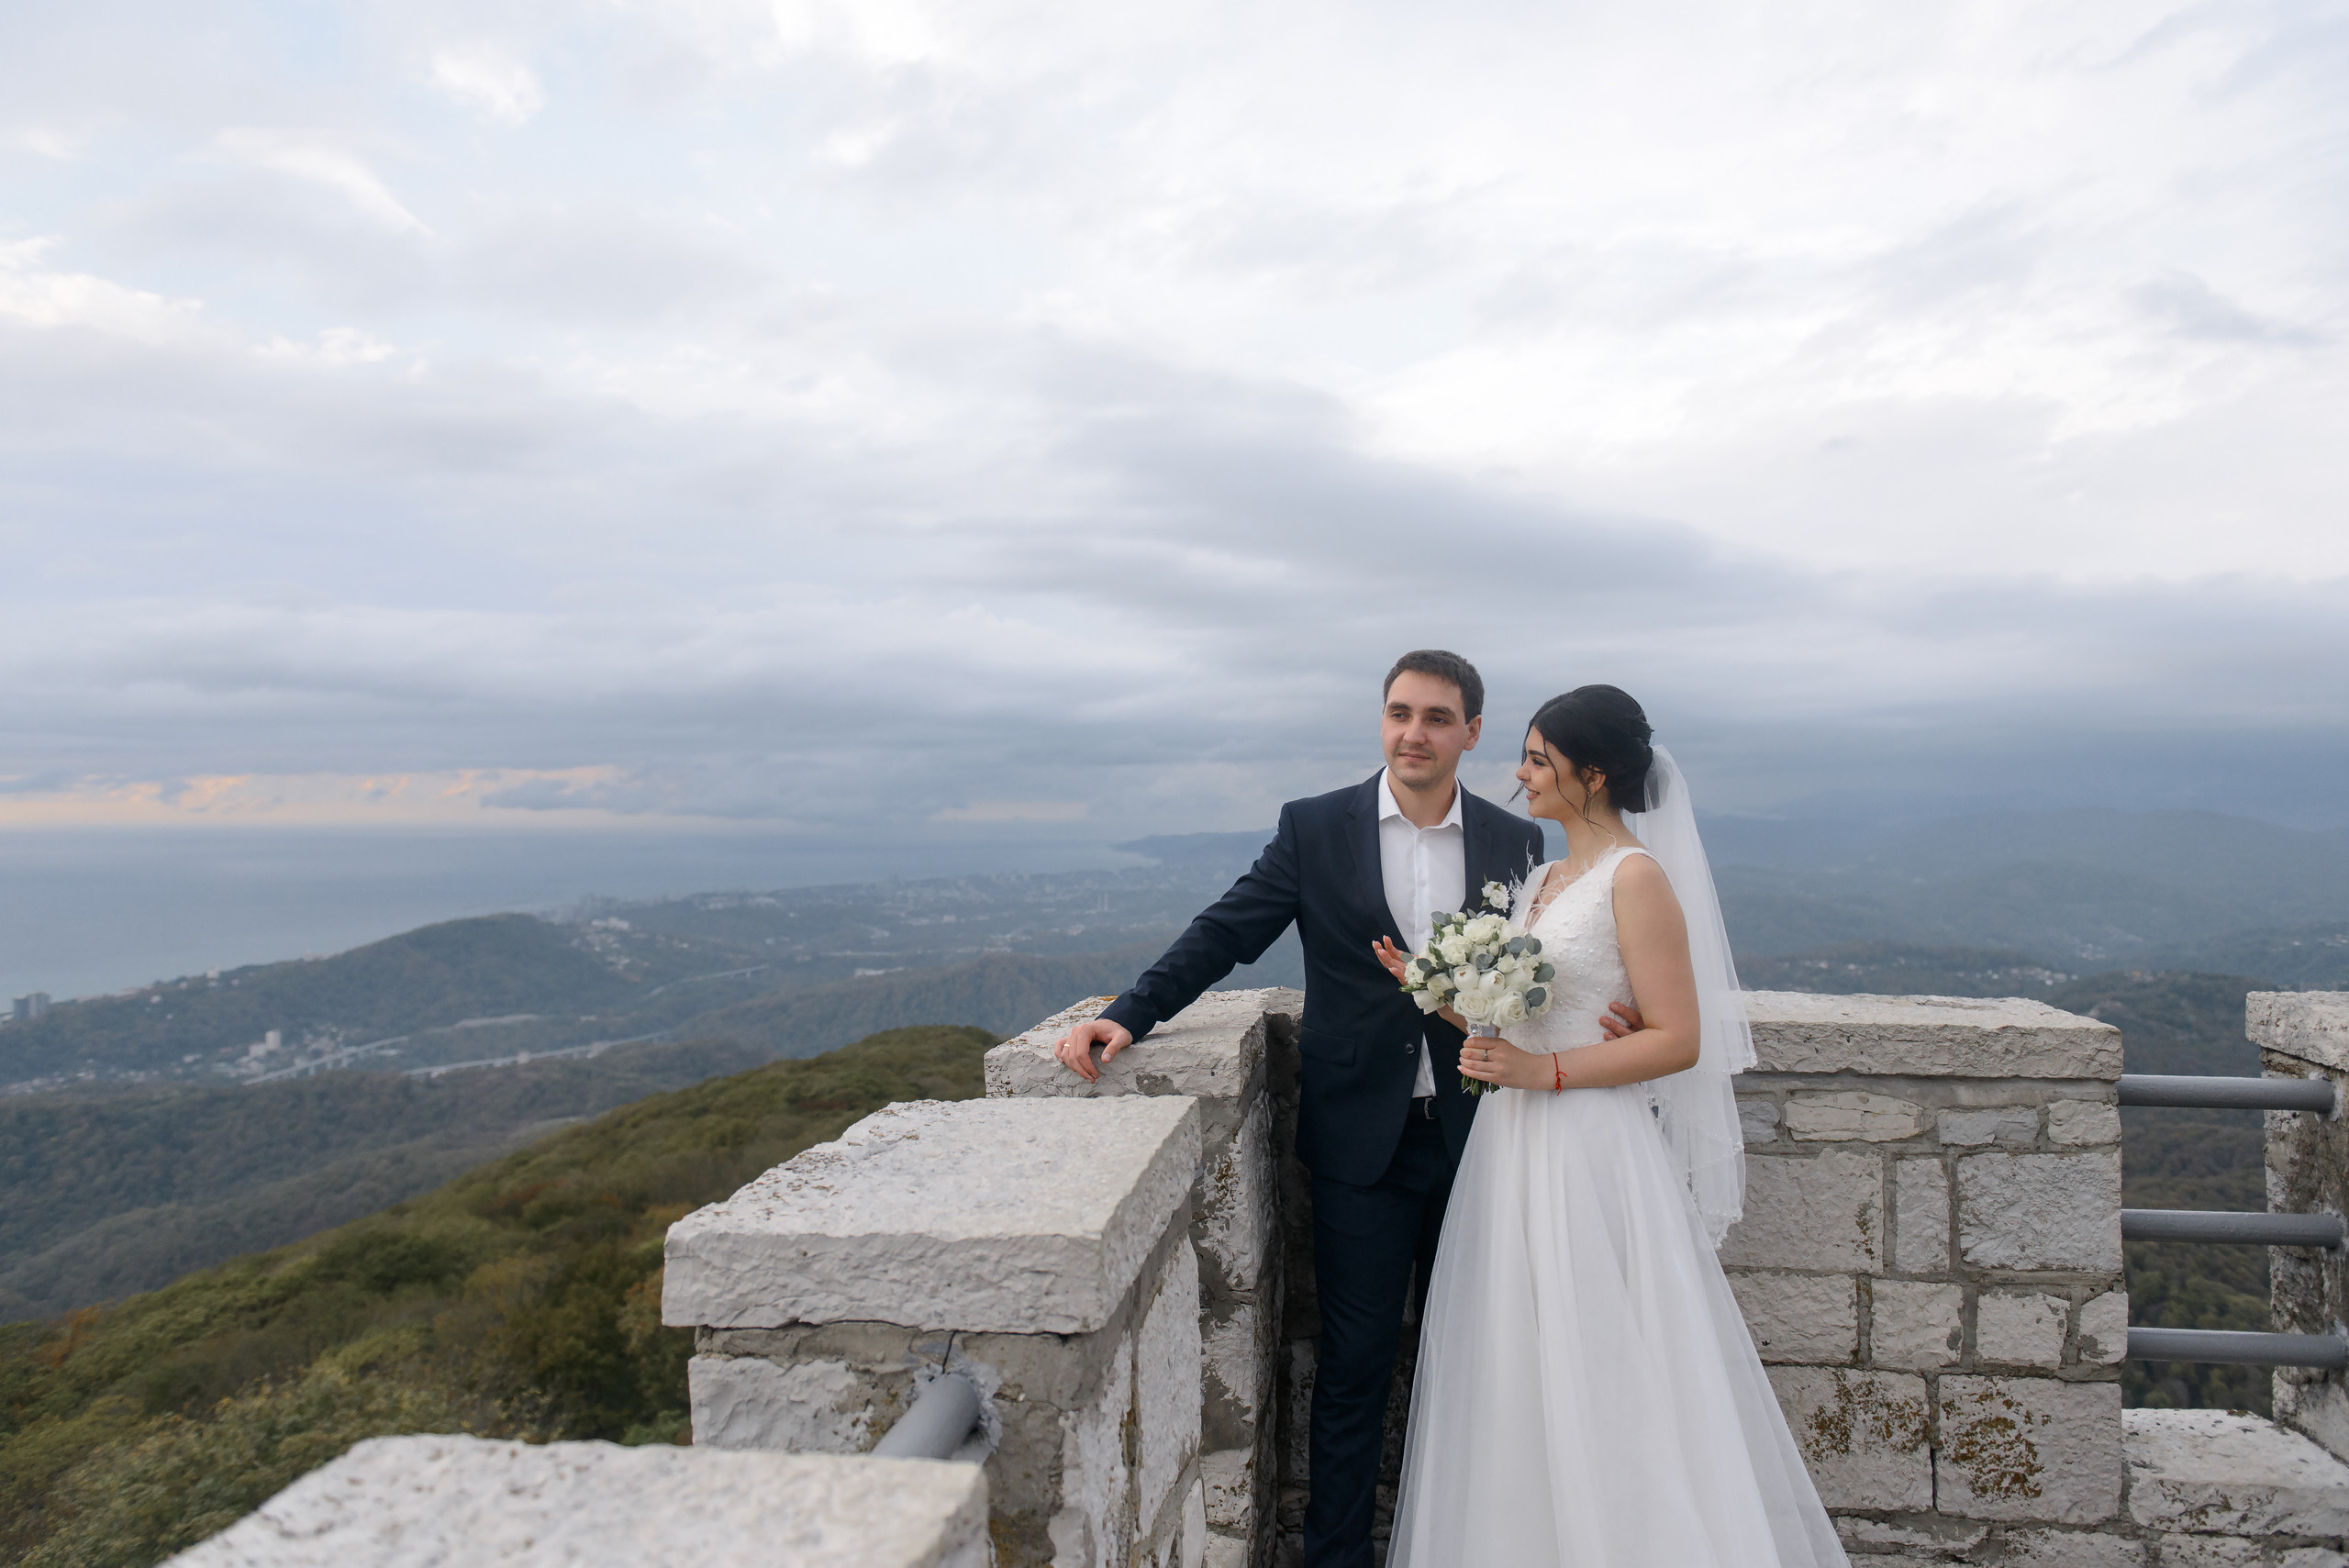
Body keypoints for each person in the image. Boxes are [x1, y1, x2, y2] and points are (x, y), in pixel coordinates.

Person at [1055, 651, 1615, 1568]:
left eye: (1437, 717)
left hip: (1490, 1136)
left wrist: (1604, 1016)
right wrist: (1129, 1012)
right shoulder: (1315, 826)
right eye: (1399, 712)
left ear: (1472, 732)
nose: (1413, 733)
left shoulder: (1516, 840)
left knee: (1484, 1361)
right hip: (1362, 1144)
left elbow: (1549, 965)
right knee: (1353, 1368)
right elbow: (1228, 929)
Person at [1380, 685, 1847, 1567]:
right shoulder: (1545, 878)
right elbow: (1528, 1017)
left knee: (1597, 1360)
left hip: (1587, 1145)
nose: (1521, 775)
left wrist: (1543, 1070)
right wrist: (1439, 991)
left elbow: (1678, 1038)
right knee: (1516, 1363)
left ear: (1592, 774)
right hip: (1515, 1144)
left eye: (1538, 759)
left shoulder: (1636, 878)